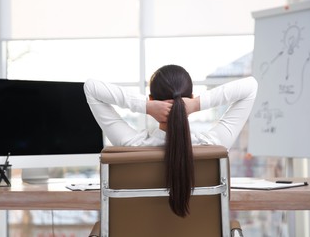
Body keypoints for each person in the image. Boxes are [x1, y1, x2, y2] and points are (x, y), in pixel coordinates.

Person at [84, 64, 258, 217]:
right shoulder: (214, 145)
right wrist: (196, 104)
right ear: (190, 96)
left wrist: (145, 106)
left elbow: (91, 88)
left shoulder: (131, 146)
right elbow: (250, 87)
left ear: (151, 99)